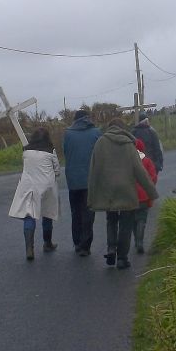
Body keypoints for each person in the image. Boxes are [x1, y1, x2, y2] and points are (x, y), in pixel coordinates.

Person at [87, 118, 158, 269]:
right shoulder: (128, 145)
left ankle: (111, 248)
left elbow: (94, 170)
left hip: (108, 190)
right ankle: (122, 258)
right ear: (122, 129)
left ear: (109, 128)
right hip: (127, 190)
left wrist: (91, 195)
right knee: (126, 224)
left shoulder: (100, 143)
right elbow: (139, 171)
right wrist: (151, 192)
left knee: (111, 220)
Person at [9, 127, 60, 260]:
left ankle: (29, 249)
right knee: (47, 214)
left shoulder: (26, 151)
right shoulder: (51, 151)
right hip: (47, 186)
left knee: (29, 215)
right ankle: (47, 243)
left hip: (29, 186)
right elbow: (57, 170)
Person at [63, 109, 102, 256]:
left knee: (75, 212)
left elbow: (66, 152)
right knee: (88, 212)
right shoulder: (96, 133)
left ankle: (77, 242)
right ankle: (85, 245)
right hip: (90, 179)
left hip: (72, 179)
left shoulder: (67, 133)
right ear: (87, 118)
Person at [133, 139, 158, 254]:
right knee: (142, 219)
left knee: (133, 219)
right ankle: (140, 242)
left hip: (130, 195)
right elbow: (153, 177)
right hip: (144, 196)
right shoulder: (147, 161)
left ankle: (136, 240)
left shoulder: (128, 161)